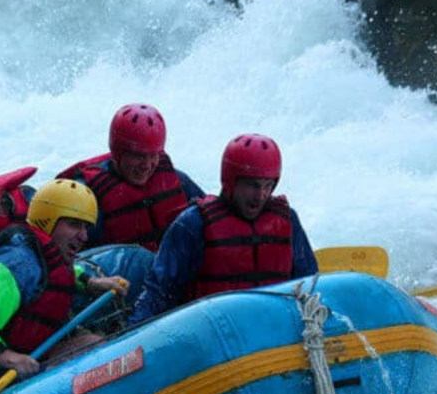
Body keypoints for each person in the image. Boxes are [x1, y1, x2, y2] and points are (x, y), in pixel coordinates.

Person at [0, 179, 129, 394]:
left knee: (90, 336)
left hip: (18, 354)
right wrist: (5, 356)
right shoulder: (19, 261)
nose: (83, 236)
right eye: (74, 225)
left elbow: (55, 273)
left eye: (85, 227)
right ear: (48, 222)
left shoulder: (41, 252)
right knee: (91, 345)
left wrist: (89, 282)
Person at [129, 134, 318, 325]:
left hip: (274, 331)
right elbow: (159, 291)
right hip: (213, 335)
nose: (260, 195)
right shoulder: (194, 223)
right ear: (230, 181)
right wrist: (133, 335)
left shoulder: (287, 221)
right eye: (252, 186)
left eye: (268, 185)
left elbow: (310, 284)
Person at [56, 103, 204, 251]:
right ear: (117, 153)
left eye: (153, 155)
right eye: (139, 156)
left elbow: (213, 216)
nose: (146, 165)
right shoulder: (86, 195)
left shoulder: (177, 180)